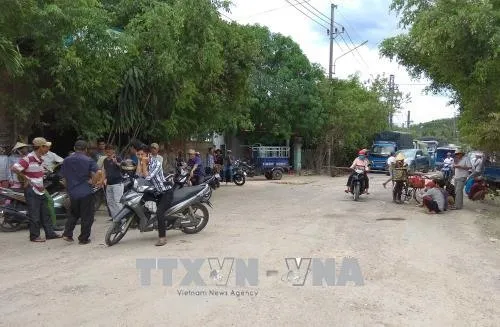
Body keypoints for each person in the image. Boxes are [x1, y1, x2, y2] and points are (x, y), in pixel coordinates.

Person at [11, 137, 61, 242]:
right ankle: (34, 236)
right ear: (40, 147)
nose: (47, 149)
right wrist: (26, 179)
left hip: (40, 189)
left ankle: (50, 233)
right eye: (46, 147)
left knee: (45, 212)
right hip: (32, 189)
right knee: (34, 214)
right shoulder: (29, 158)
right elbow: (14, 168)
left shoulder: (40, 159)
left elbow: (39, 174)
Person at [60, 140, 104, 244]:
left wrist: (68, 188)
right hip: (85, 191)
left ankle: (67, 234)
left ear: (75, 148)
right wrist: (93, 182)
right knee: (87, 216)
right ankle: (83, 238)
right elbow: (99, 172)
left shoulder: (67, 160)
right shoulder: (88, 160)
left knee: (73, 213)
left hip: (73, 192)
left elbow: (64, 177)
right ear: (85, 149)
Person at [135, 145, 172, 246]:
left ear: (148, 154)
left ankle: (162, 238)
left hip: (165, 192)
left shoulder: (156, 163)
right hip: (156, 192)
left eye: (142, 154)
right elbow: (138, 175)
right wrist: (141, 162)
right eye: (138, 155)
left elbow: (147, 176)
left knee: (159, 212)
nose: (140, 156)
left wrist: (143, 163)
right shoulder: (144, 162)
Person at [102, 144, 124, 219]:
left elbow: (123, 167)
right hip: (109, 184)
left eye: (110, 149)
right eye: (107, 149)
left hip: (118, 184)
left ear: (113, 150)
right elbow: (105, 171)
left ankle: (123, 220)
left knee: (118, 202)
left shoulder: (118, 158)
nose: (108, 150)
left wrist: (116, 163)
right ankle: (115, 219)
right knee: (110, 202)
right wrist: (103, 180)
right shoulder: (105, 160)